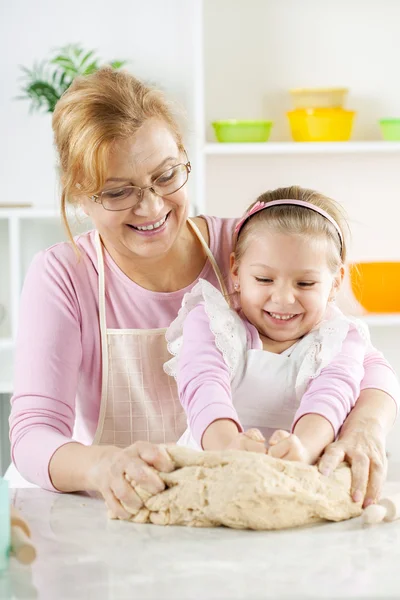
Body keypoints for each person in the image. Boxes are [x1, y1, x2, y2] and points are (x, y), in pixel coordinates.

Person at [9, 68, 398, 518]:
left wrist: (366, 426)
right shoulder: (65, 275)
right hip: (124, 519)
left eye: (166, 175)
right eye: (118, 192)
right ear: (80, 195)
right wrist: (103, 467)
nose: (152, 206)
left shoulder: (251, 252)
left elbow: (360, 357)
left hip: (237, 520)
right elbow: (33, 435)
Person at [164, 189, 380, 467]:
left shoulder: (340, 338)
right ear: (236, 271)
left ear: (336, 282)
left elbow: (331, 395)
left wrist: (303, 449)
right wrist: (227, 446)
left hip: (300, 470)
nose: (283, 298)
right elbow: (203, 387)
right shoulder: (210, 323)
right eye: (265, 279)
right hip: (211, 465)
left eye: (305, 284)